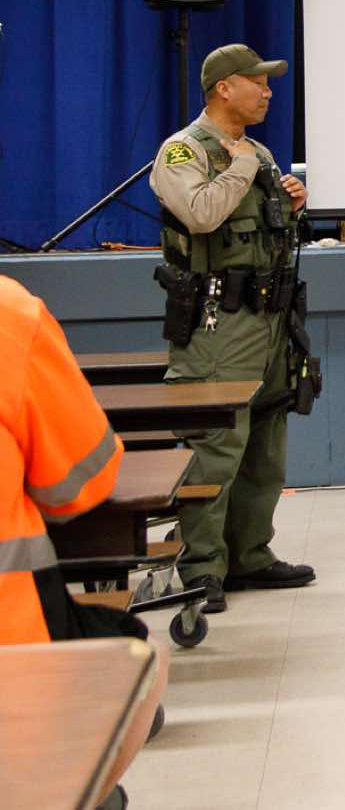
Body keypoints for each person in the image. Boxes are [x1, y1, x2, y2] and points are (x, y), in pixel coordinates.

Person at [149, 44, 315, 614]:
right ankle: (202, 567)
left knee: (266, 444)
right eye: (257, 82)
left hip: (270, 318)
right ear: (224, 88)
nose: (267, 92)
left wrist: (293, 202)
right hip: (219, 323)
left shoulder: (258, 152)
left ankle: (249, 554)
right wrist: (243, 165)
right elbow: (200, 214)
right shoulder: (184, 150)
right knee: (217, 445)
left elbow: (262, 224)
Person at [2, 275, 170, 809]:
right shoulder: (11, 316)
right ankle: (85, 794)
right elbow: (79, 484)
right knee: (142, 657)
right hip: (15, 653)